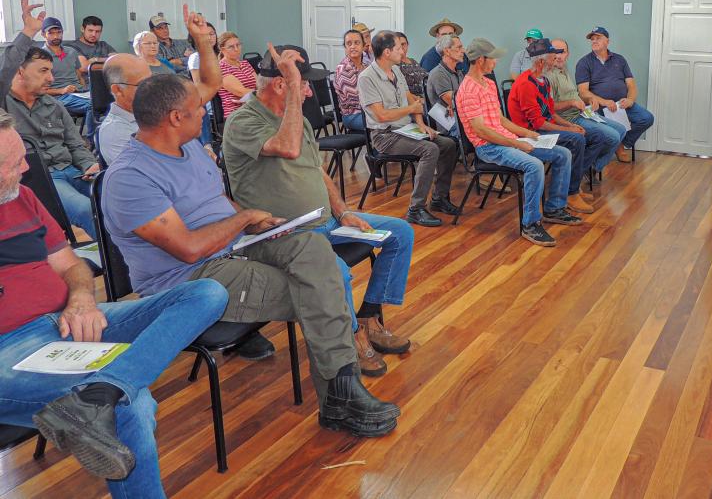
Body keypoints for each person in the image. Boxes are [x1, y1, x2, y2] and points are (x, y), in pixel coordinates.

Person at [102, 71, 401, 437]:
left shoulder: (189, 146)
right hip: (191, 279)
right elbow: (189, 249)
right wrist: (243, 217)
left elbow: (214, 203)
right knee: (321, 289)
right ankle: (341, 394)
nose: (206, 115)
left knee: (313, 247)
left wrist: (251, 221)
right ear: (175, 118)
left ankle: (342, 392)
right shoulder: (131, 176)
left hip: (235, 245)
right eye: (198, 109)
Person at [0, 109, 229, 499]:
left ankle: (103, 389)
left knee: (206, 293)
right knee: (131, 406)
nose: (26, 168)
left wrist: (82, 299)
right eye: (13, 162)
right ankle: (108, 395)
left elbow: (71, 265)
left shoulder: (22, 198)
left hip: (66, 321)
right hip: (11, 349)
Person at [223, 44, 415, 378]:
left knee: (401, 233)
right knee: (336, 271)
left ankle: (369, 318)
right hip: (281, 235)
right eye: (304, 82)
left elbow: (318, 170)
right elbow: (287, 147)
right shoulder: (243, 121)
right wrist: (296, 92)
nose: (310, 90)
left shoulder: (296, 118)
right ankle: (352, 336)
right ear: (282, 85)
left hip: (323, 221)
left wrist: (342, 212)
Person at [456, 38, 582, 247]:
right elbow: (481, 131)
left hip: (505, 140)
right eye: (493, 58)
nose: (495, 63)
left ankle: (554, 208)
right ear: (480, 60)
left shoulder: (488, 84)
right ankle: (530, 224)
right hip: (489, 148)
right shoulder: (468, 90)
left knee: (562, 154)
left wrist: (527, 134)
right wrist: (516, 143)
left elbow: (501, 120)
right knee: (533, 166)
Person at [359, 30, 460, 227]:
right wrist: (412, 108)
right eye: (398, 48)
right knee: (430, 150)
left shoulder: (396, 70)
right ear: (387, 52)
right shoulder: (367, 78)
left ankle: (439, 198)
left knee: (448, 144)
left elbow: (409, 98)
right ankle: (416, 209)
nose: (403, 51)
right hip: (384, 135)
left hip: (406, 128)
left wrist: (422, 124)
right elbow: (382, 115)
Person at [101, 6, 222, 167]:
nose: (151, 88)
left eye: (151, 79)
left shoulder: (158, 106)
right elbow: (152, 177)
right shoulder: (116, 132)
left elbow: (210, 84)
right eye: (142, 83)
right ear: (117, 90)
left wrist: (202, 40)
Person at [7, 47, 98, 239]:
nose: (51, 78)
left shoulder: (55, 106)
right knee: (86, 209)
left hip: (74, 171)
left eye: (50, 71)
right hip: (42, 177)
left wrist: (89, 164)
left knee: (116, 198)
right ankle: (117, 264)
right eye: (43, 71)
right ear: (20, 71)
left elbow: (75, 144)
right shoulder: (4, 106)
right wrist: (28, 32)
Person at [507, 38, 601, 215]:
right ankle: (569, 194)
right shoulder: (526, 83)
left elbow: (549, 112)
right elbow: (538, 123)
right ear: (541, 61)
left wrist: (569, 125)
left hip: (540, 129)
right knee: (576, 140)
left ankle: (569, 192)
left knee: (578, 136)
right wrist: (569, 130)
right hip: (529, 134)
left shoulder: (543, 81)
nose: (555, 61)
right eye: (552, 58)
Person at [575, 26, 655, 161]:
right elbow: (583, 92)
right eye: (592, 39)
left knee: (646, 118)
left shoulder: (620, 60)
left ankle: (621, 144)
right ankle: (609, 149)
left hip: (622, 105)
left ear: (608, 41)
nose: (594, 41)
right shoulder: (584, 62)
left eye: (598, 38)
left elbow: (631, 85)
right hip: (599, 107)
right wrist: (604, 102)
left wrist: (630, 99)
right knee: (601, 126)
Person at [548, 38, 625, 174]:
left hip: (583, 113)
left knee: (621, 129)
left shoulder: (564, 69)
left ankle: (590, 167)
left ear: (568, 54)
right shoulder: (548, 76)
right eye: (555, 52)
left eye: (562, 52)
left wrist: (589, 99)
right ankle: (581, 171)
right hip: (569, 119)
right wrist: (572, 103)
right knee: (613, 137)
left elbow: (575, 94)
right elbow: (550, 108)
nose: (559, 56)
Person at [38, 16, 91, 126]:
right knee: (93, 105)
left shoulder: (71, 52)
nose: (56, 36)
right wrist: (62, 90)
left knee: (109, 101)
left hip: (80, 93)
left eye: (59, 32)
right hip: (59, 97)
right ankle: (92, 140)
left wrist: (82, 87)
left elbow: (78, 74)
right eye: (51, 33)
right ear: (43, 34)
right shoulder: (40, 57)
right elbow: (39, 89)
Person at [425, 33, 466, 137]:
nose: (463, 50)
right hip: (450, 125)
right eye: (459, 47)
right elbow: (456, 102)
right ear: (447, 51)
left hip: (461, 118)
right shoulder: (438, 73)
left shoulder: (459, 72)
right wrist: (455, 104)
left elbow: (464, 100)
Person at [334, 28, 368, 132]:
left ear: (363, 46)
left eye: (357, 43)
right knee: (384, 122)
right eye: (349, 43)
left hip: (368, 110)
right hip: (353, 115)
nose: (353, 46)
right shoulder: (344, 69)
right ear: (345, 48)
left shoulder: (366, 66)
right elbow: (357, 100)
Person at [217, 32, 257, 119]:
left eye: (238, 45)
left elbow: (259, 85)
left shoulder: (245, 64)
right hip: (236, 114)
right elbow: (241, 92)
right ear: (222, 49)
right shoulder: (220, 68)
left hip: (254, 109)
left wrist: (261, 92)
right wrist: (265, 94)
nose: (236, 49)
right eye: (231, 47)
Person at [396, 32, 429, 96]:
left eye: (403, 44)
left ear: (407, 45)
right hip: (411, 100)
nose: (401, 47)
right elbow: (400, 90)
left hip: (425, 97)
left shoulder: (413, 61)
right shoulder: (394, 65)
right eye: (398, 45)